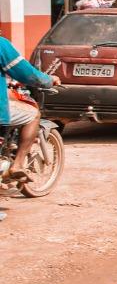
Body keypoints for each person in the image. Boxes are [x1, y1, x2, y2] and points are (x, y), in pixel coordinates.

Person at [0, 35, 59, 184]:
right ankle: (18, 165)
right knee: (33, 114)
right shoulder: (1, 44)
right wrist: (48, 80)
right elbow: (26, 73)